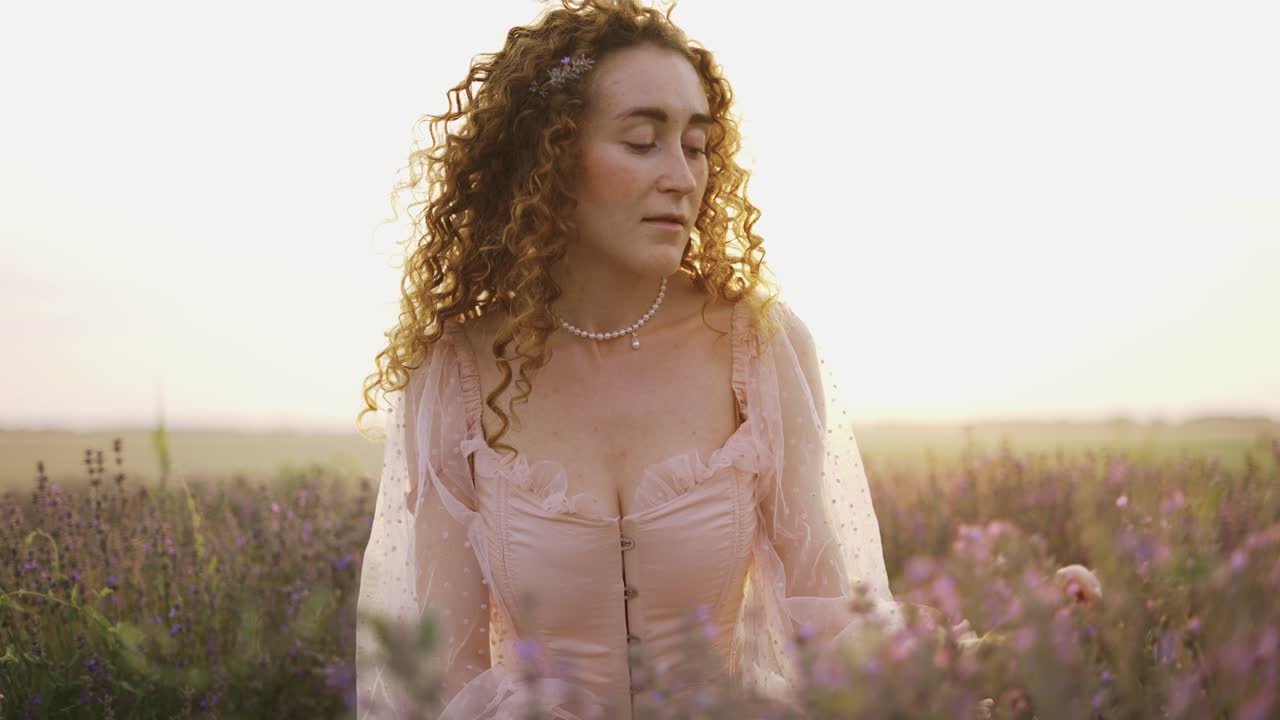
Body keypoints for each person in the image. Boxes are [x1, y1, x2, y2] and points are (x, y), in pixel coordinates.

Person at [354, 1, 973, 717]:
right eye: (644, 141)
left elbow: (829, 623)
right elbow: (442, 685)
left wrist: (958, 667)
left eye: (697, 145)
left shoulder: (758, 346)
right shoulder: (457, 370)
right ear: (548, 158)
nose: (682, 175)